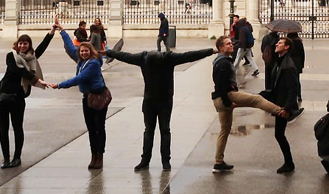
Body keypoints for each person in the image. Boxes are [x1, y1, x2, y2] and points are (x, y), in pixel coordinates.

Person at [104, 40, 216, 171]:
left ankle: (151, 160)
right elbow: (189, 56)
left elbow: (124, 56)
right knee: (162, 130)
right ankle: (160, 161)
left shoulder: (144, 58)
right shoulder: (166, 58)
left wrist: (108, 52)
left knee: (152, 131)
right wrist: (210, 51)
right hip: (160, 101)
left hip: (155, 101)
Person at [211, 37, 301, 172]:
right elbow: (221, 85)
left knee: (224, 131)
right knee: (257, 100)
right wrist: (228, 102)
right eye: (228, 44)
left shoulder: (219, 60)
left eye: (231, 43)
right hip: (226, 97)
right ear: (221, 48)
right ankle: (280, 111)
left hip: (219, 100)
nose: (232, 45)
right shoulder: (223, 63)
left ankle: (218, 162)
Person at [48, 20, 109, 169]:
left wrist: (59, 85)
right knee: (90, 128)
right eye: (81, 51)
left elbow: (79, 79)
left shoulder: (93, 64)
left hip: (98, 97)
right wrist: (62, 31)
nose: (83, 53)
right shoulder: (80, 60)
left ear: (91, 51)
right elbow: (70, 47)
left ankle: (100, 156)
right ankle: (93, 155)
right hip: (87, 98)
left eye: (86, 51)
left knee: (99, 127)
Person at [0, 29, 55, 169]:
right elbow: (17, 70)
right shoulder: (11, 56)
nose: (22, 46)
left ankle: (17, 157)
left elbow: (42, 47)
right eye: (20, 43)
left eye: (25, 43)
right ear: (17, 44)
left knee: (17, 127)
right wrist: (36, 79)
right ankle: (5, 158)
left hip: (18, 97)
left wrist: (52, 32)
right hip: (1, 96)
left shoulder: (32, 57)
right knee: (3, 128)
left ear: (29, 45)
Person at [271, 37, 303, 173]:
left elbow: (292, 89)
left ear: (287, 47)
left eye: (280, 43)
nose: (277, 44)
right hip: (279, 102)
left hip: (283, 105)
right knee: (279, 134)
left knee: (279, 134)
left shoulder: (288, 65)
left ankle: (289, 163)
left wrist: (287, 108)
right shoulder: (280, 61)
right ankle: (289, 162)